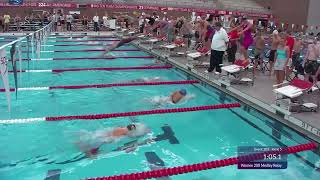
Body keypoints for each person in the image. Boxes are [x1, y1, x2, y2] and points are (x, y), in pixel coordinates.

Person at [76, 123, 150, 158]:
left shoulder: (122, 128)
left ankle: (84, 145)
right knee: (92, 152)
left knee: (94, 138)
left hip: (103, 135)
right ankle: (84, 148)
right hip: (103, 139)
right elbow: (106, 140)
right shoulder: (121, 133)